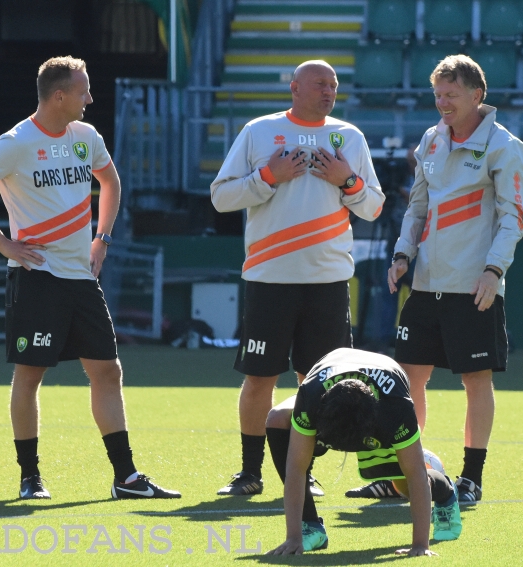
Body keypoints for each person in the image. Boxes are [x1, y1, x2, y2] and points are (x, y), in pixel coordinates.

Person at [0, 56, 179, 501]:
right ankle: (30, 478)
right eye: (84, 90)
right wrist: (4, 244)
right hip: (37, 276)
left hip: (81, 277)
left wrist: (103, 240)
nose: (91, 98)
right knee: (30, 376)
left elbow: (111, 183)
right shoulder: (17, 141)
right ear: (59, 96)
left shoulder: (86, 137)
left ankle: (125, 478)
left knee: (107, 372)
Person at [346, 54, 523, 504]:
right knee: (407, 378)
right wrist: (402, 254)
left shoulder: (507, 148)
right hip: (426, 284)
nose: (442, 103)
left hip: (474, 287)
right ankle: (400, 476)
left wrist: (493, 271)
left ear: (476, 95)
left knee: (476, 381)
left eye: (451, 95)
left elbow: (513, 219)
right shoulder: (430, 140)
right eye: (437, 95)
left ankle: (471, 479)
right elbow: (417, 207)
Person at [210, 60, 385, 496]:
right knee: (259, 378)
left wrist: (349, 181)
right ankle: (250, 472)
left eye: (334, 84)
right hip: (270, 278)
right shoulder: (259, 131)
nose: (329, 91)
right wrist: (269, 176)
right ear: (294, 88)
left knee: (319, 383)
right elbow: (221, 196)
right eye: (320, 84)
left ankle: (304, 472)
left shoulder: (350, 137)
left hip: (328, 281)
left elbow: (374, 207)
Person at [265, 348, 461, 555]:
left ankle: (445, 492)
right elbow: (296, 467)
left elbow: (416, 473)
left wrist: (420, 546)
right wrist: (293, 537)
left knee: (402, 484)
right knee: (277, 419)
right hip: (332, 379)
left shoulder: (395, 407)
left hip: (381, 392)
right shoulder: (311, 396)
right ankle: (310, 526)